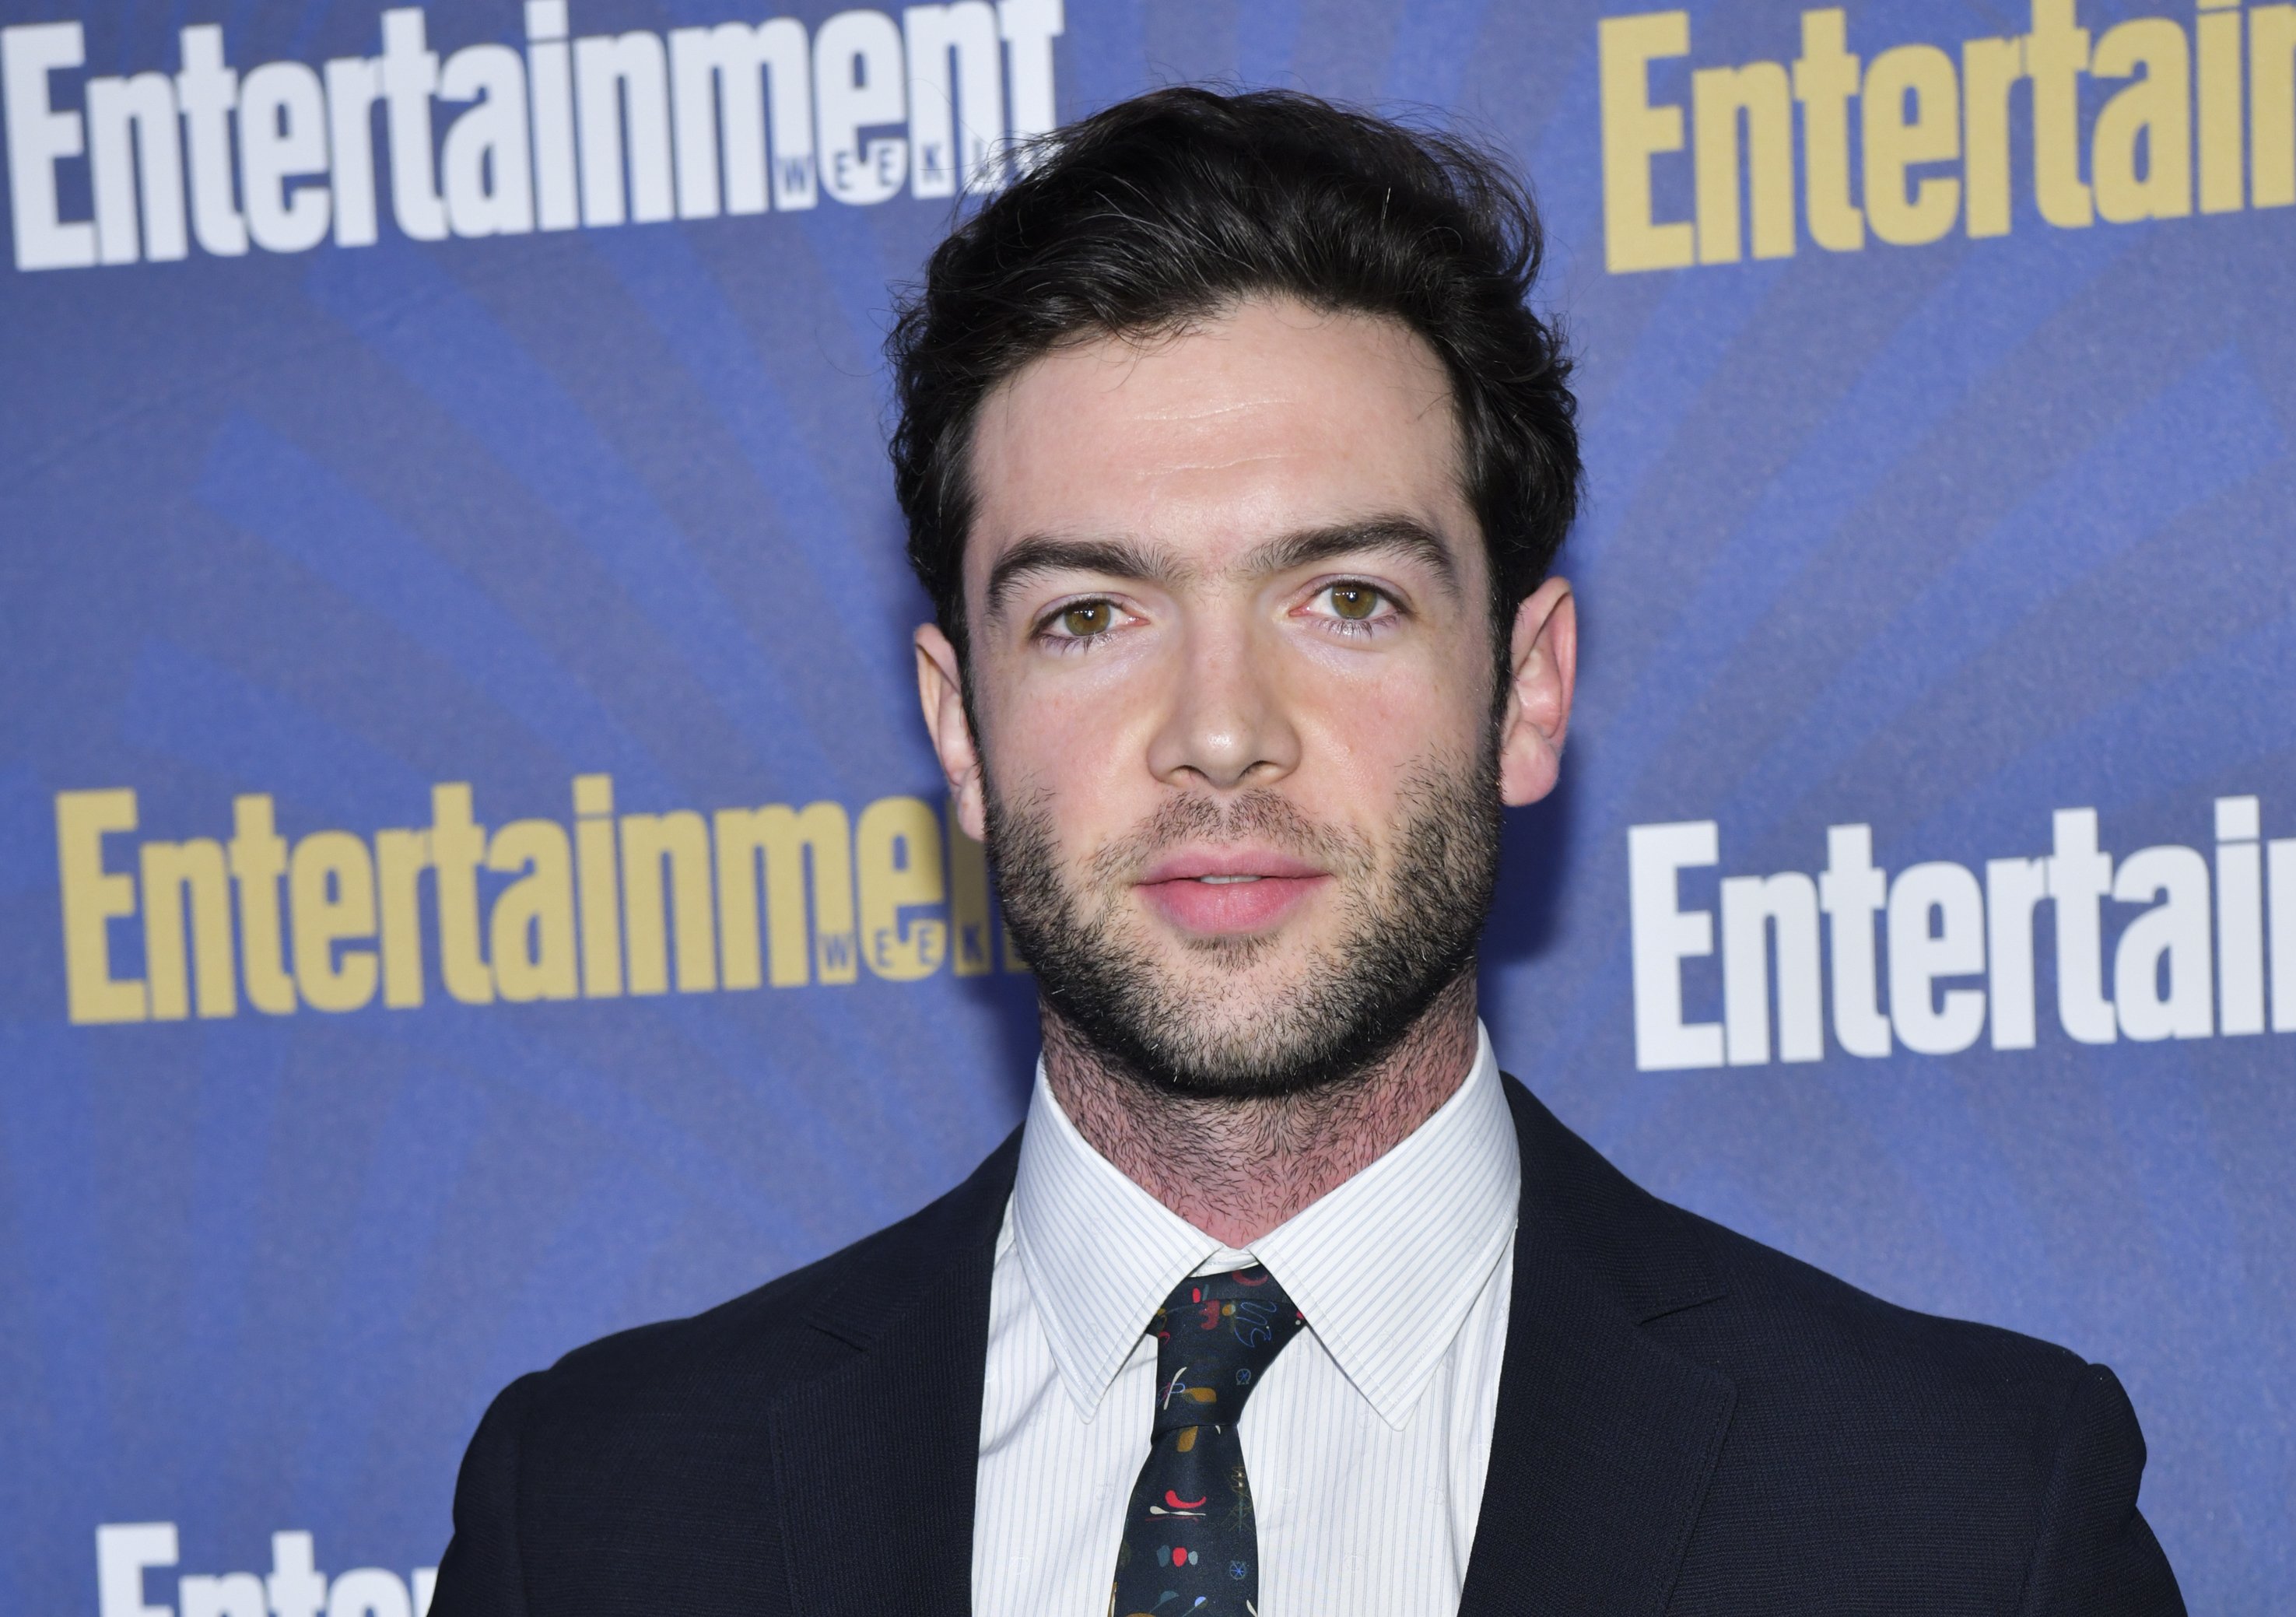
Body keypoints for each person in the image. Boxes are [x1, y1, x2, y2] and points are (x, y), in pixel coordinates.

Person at [429, 88, 2184, 1616]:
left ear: (1527, 689)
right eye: (1093, 613)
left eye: (1345, 599)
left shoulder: (1962, 1518)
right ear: (959, 731)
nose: (1220, 726)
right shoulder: (595, 1516)